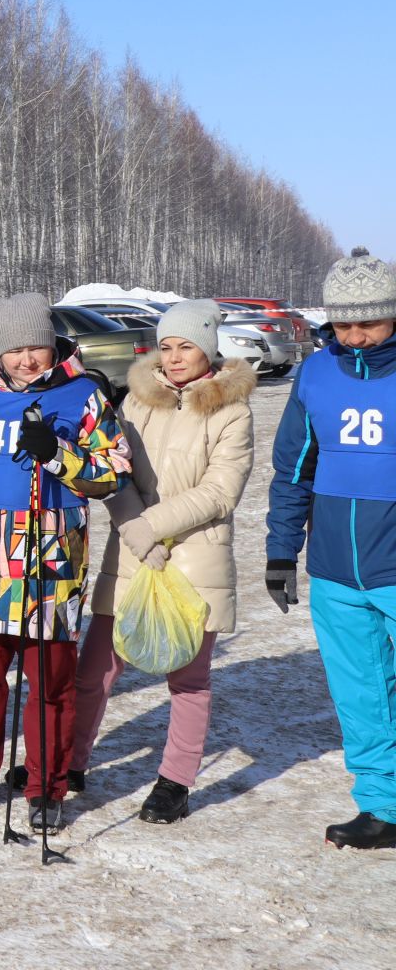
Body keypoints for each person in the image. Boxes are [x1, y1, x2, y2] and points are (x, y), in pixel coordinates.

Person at [0, 291, 122, 832]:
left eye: (37, 346)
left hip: (50, 561)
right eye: (16, 350)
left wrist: (57, 454)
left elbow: (111, 474)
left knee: (49, 687)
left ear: (52, 345)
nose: (27, 359)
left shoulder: (83, 395)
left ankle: (45, 789)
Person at [74, 300, 255, 825]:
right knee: (96, 671)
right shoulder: (136, 401)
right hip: (132, 554)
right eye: (168, 346)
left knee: (189, 679)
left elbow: (221, 492)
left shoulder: (231, 410)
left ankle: (174, 782)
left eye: (187, 347)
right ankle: (70, 763)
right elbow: (115, 470)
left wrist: (150, 526)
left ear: (209, 350)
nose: (175, 358)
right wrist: (135, 530)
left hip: (195, 561)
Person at [266, 247, 396, 850]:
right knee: (361, 693)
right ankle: (382, 805)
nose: (356, 336)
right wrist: (280, 552)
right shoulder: (315, 374)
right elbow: (293, 469)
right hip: (338, 573)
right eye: (344, 324)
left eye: (368, 322)